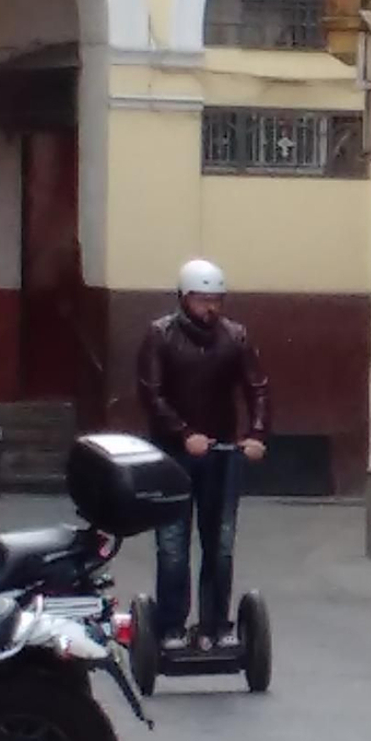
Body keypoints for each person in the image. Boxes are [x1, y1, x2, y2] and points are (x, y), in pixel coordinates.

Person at [136, 259, 269, 649]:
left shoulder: (235, 337)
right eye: (202, 299)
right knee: (173, 544)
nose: (210, 308)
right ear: (184, 298)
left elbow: (257, 387)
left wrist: (257, 434)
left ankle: (215, 625)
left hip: (222, 454)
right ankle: (172, 626)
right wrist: (184, 433)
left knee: (221, 542)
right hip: (173, 457)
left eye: (217, 300)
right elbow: (151, 393)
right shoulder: (159, 335)